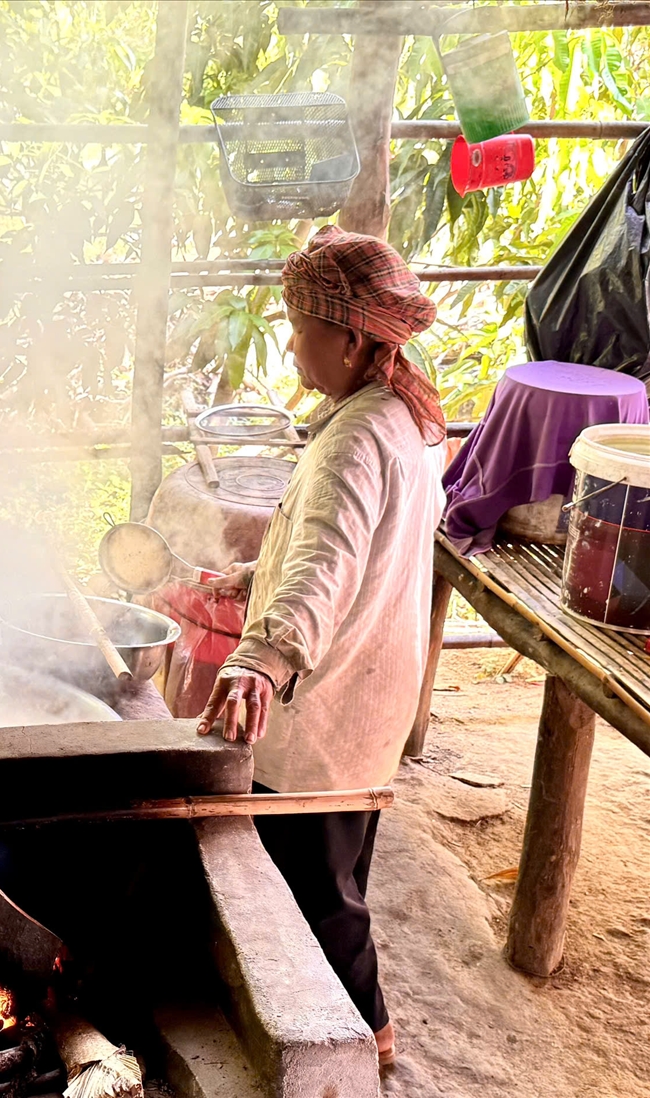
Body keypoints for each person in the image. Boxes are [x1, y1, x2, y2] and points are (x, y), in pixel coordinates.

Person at [195, 224, 447, 1068]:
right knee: (340, 868)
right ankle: (342, 1017)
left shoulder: (356, 438)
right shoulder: (402, 415)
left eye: (302, 326)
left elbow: (326, 566)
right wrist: (253, 577)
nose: (293, 342)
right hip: (374, 688)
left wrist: (262, 656)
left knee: (318, 891)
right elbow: (344, 547)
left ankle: (369, 1036)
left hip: (329, 707)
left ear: (351, 339)